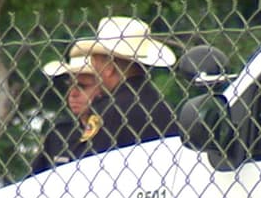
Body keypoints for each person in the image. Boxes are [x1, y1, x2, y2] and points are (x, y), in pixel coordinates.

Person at [61, 16, 178, 160]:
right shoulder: (163, 107)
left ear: (109, 67)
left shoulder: (110, 112)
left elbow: (85, 163)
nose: (93, 70)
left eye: (94, 62)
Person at [29, 57, 101, 174]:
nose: (73, 94)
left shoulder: (115, 129)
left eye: (82, 86)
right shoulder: (59, 134)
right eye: (70, 85)